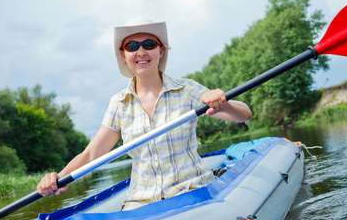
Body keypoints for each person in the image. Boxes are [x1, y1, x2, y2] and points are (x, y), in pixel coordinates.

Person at [37, 18, 252, 210]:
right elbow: (91, 154)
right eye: (132, 46)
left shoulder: (187, 90)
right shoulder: (119, 103)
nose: (141, 51)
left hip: (192, 191)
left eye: (149, 44)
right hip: (141, 203)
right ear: (124, 54)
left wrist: (224, 104)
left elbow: (245, 114)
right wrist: (60, 177)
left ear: (161, 51)